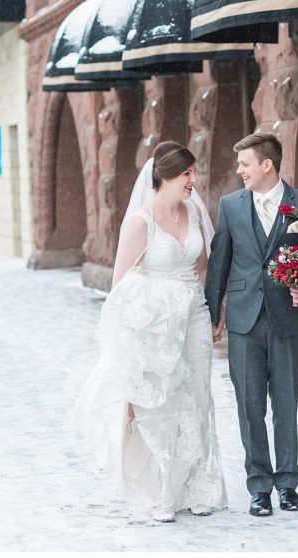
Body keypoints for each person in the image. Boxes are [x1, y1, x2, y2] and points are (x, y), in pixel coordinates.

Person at [71, 141, 228, 523]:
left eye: (194, 172)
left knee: (198, 400)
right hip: (157, 329)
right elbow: (120, 285)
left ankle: (197, 486)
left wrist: (214, 313)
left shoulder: (194, 211)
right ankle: (162, 493)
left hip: (193, 317)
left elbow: (204, 268)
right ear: (167, 177)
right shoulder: (141, 222)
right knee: (163, 407)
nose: (194, 180)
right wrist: (132, 336)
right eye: (188, 174)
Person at [205, 132, 298, 517]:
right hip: (244, 320)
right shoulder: (230, 206)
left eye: (244, 163)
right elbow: (219, 263)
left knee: (286, 404)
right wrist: (214, 313)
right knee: (250, 406)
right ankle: (259, 487)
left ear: (266, 165)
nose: (238, 170)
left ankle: (288, 484)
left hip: (288, 319)